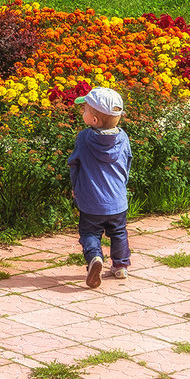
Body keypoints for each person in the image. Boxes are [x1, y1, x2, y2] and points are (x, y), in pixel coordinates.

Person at [68, 87, 131, 289]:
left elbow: (75, 164)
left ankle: (95, 257)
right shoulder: (123, 138)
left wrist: (75, 187)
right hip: (118, 200)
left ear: (94, 120)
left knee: (89, 233)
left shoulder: (85, 138)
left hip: (90, 201)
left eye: (85, 109)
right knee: (119, 232)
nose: (82, 112)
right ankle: (120, 266)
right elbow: (127, 163)